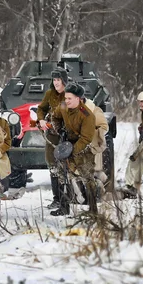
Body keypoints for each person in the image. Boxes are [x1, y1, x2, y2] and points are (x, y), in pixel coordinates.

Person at [50, 84, 97, 215]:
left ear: (78, 99)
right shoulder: (64, 106)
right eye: (66, 98)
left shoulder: (87, 115)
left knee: (87, 178)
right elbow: (55, 116)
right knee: (62, 175)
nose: (67, 100)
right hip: (67, 143)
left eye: (70, 98)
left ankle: (93, 209)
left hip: (82, 148)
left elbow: (86, 139)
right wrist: (59, 128)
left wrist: (71, 152)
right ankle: (64, 207)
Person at [36, 68, 68, 209]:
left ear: (64, 80)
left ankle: (69, 198)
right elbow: (41, 108)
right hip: (53, 134)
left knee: (68, 166)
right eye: (54, 80)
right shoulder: (50, 94)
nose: (56, 83)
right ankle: (57, 198)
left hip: (68, 134)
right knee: (52, 164)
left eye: (58, 80)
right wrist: (41, 120)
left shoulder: (69, 93)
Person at [84, 98, 109, 194]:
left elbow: (103, 127)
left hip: (92, 146)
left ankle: (97, 191)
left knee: (95, 173)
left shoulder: (95, 110)